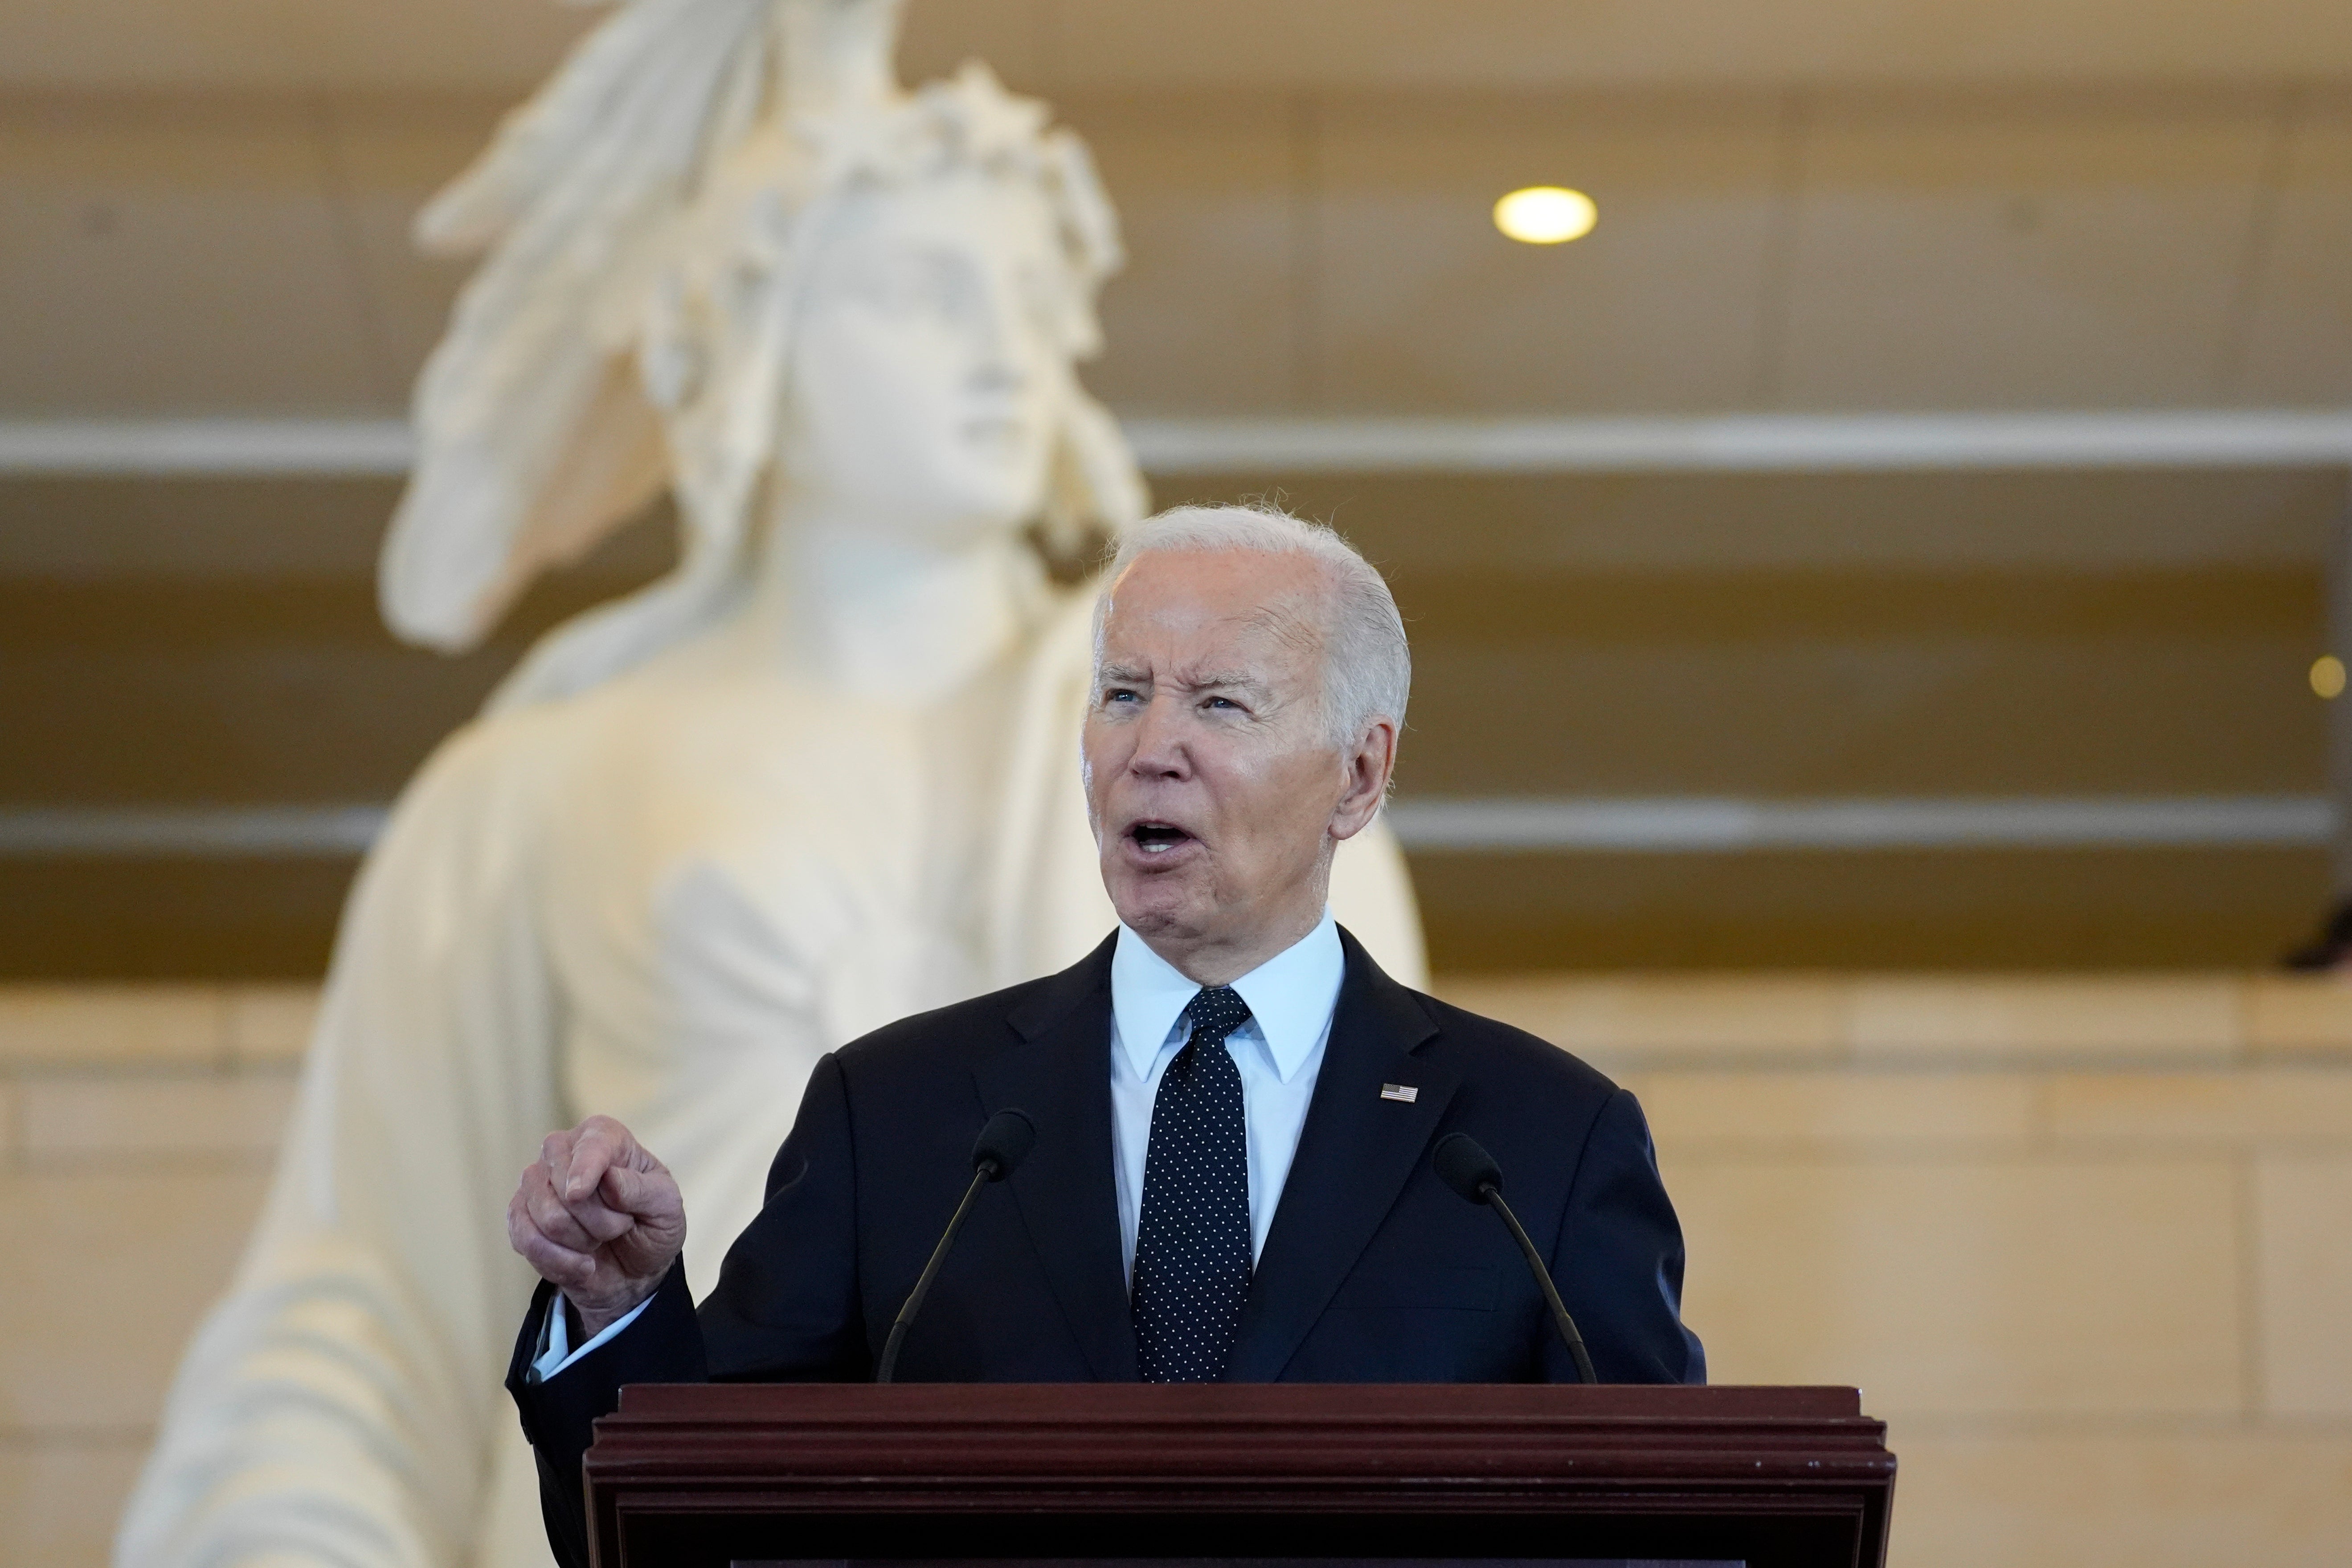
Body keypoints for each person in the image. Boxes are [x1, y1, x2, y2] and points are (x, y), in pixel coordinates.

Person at [117, 8, 1424, 1567]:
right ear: (751, 327)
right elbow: (357, 1305)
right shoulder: (543, 782)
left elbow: (1369, 1249)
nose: (1011, 343)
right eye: (929, 292)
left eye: (1035, 291)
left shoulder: (1239, 772)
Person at [505, 505, 1706, 1568]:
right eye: (1123, 694)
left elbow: (1666, 1534)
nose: (1150, 747)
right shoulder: (904, 1113)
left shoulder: (1534, 1143)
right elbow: (699, 1518)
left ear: (1358, 774)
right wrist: (620, 1316)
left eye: (1219, 703)